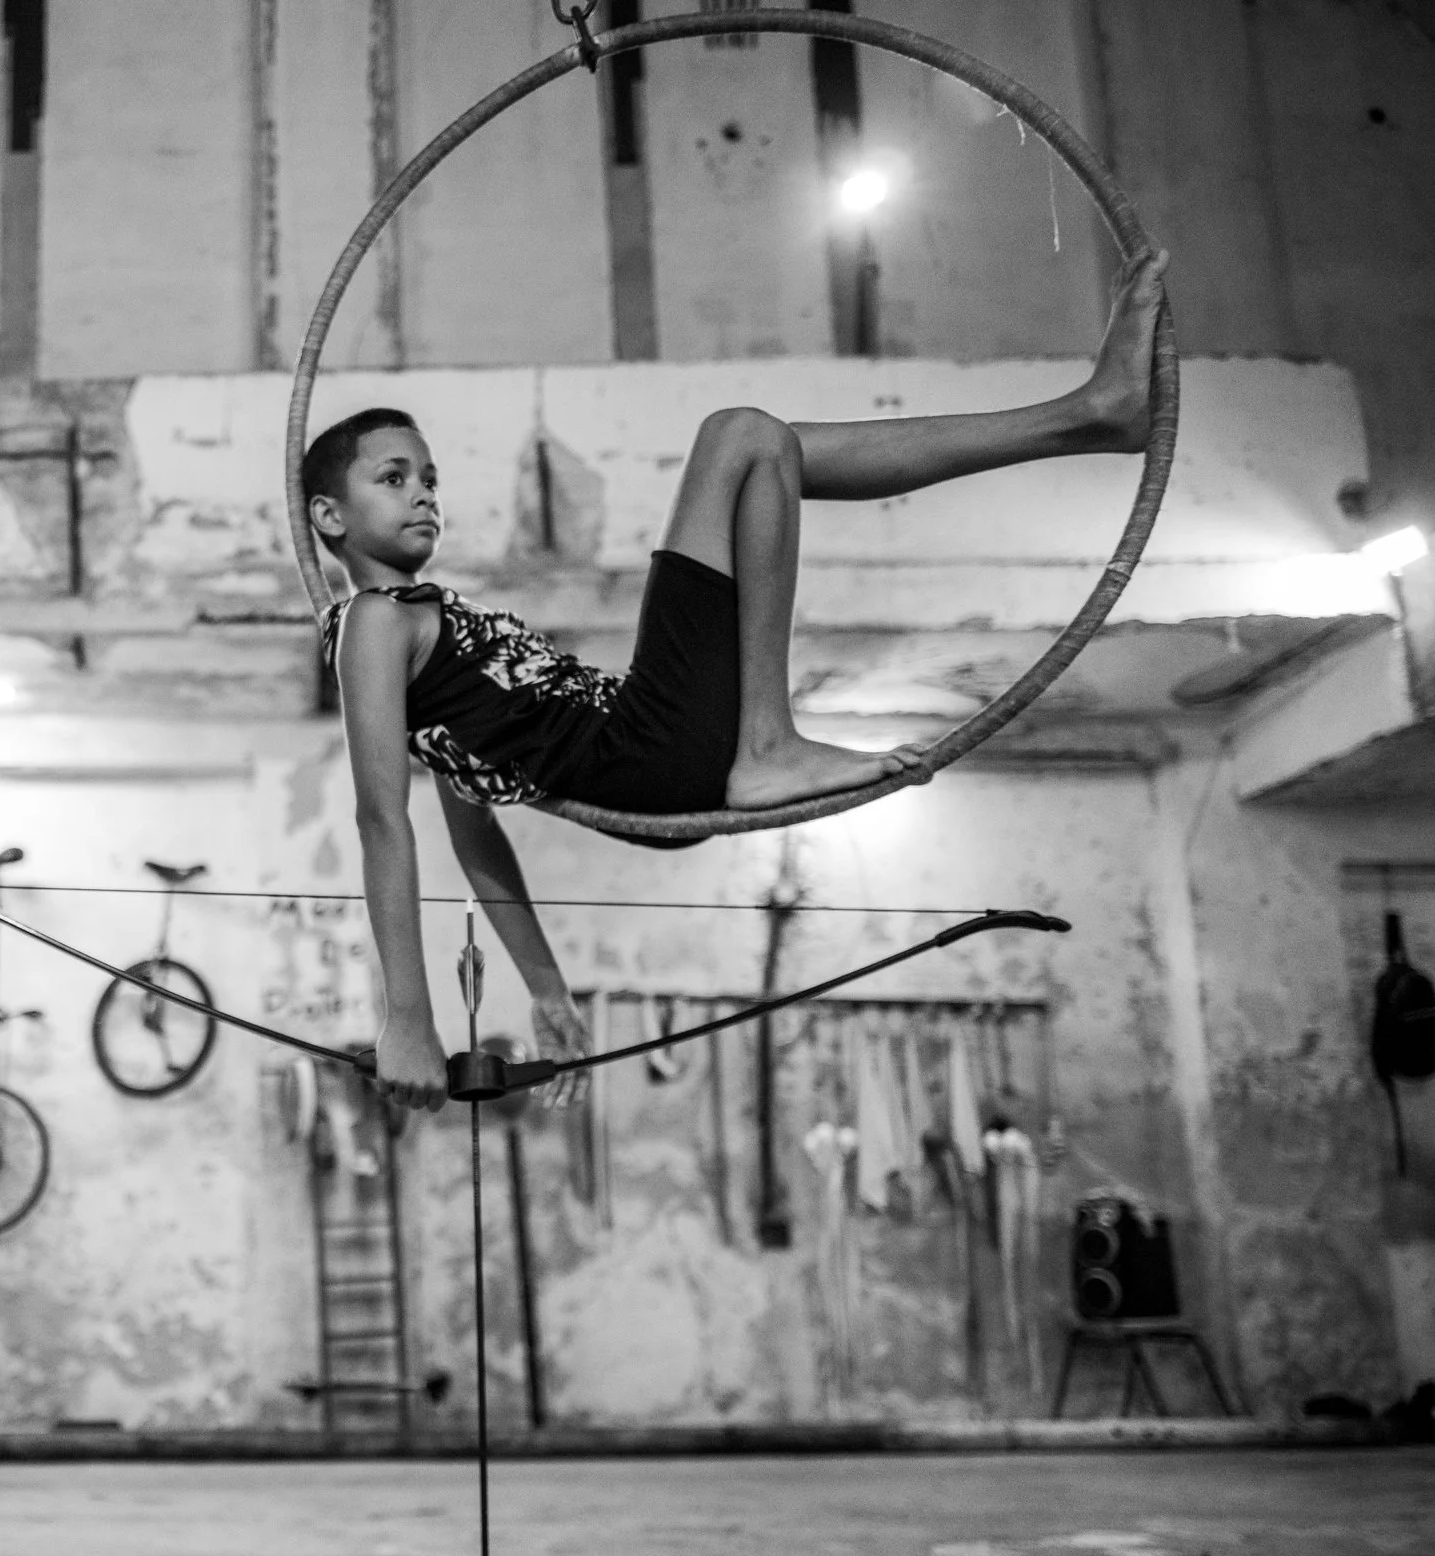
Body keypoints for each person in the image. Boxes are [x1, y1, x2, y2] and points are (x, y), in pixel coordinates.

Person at [315, 251, 1168, 1114]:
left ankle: (1091, 417)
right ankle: (768, 741)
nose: (423, 494)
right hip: (645, 753)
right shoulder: (374, 625)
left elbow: (476, 838)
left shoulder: (417, 633)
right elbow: (383, 822)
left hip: (648, 743)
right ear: (329, 516)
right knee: (740, 436)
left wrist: (546, 991)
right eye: (393, 478)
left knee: (764, 451)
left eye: (429, 477)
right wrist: (408, 1019)